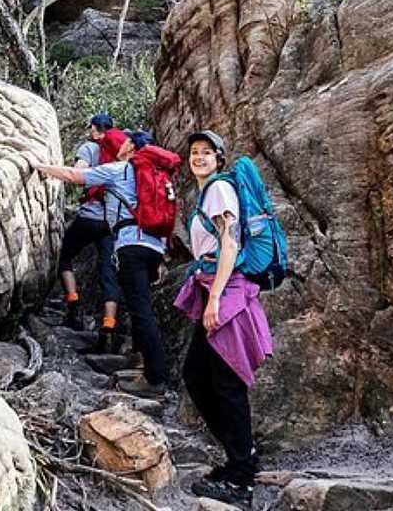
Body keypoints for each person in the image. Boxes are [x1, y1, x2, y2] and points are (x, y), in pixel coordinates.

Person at [174, 130, 273, 508]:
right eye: (193, 152)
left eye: (206, 152)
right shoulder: (208, 192)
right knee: (198, 377)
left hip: (226, 290)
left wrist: (214, 298)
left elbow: (230, 242)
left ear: (219, 159)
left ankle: (242, 483)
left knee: (226, 382)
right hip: (216, 288)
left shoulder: (218, 189)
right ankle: (241, 456)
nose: (198, 157)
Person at [30, 130, 169, 397]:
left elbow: (75, 176)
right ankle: (141, 363)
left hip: (131, 244)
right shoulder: (157, 176)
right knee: (141, 306)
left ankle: (154, 379)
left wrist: (40, 167)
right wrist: (163, 256)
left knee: (141, 311)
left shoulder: (121, 169)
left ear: (130, 146)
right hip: (154, 246)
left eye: (126, 140)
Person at [58, 114, 125, 337]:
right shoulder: (121, 151)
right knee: (108, 272)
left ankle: (73, 302)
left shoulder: (89, 148)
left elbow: (78, 171)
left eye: (92, 128)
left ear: (96, 130)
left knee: (64, 254)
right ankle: (108, 325)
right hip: (112, 222)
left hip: (89, 218)